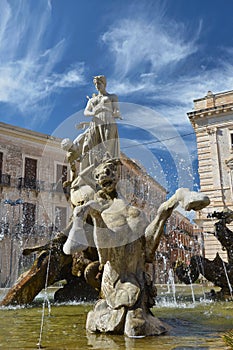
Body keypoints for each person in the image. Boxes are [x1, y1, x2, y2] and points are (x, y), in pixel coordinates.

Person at [82, 75, 121, 165]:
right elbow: (86, 112)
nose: (97, 86)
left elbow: (117, 110)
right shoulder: (92, 100)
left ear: (104, 84)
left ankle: (106, 164)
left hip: (108, 120)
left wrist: (116, 114)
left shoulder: (112, 97)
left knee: (107, 143)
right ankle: (94, 164)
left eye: (99, 83)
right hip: (96, 121)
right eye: (95, 84)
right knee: (92, 144)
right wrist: (93, 113)